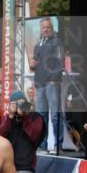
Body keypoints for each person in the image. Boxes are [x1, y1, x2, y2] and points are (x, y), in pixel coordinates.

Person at [31, 18, 65, 150]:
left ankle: (58, 144)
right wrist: (33, 66)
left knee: (55, 115)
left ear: (52, 29)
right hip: (40, 84)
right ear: (40, 29)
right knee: (41, 117)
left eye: (48, 27)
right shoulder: (38, 44)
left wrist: (53, 78)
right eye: (43, 27)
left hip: (52, 83)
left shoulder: (57, 43)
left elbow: (61, 63)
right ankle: (42, 145)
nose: (45, 29)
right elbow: (35, 64)